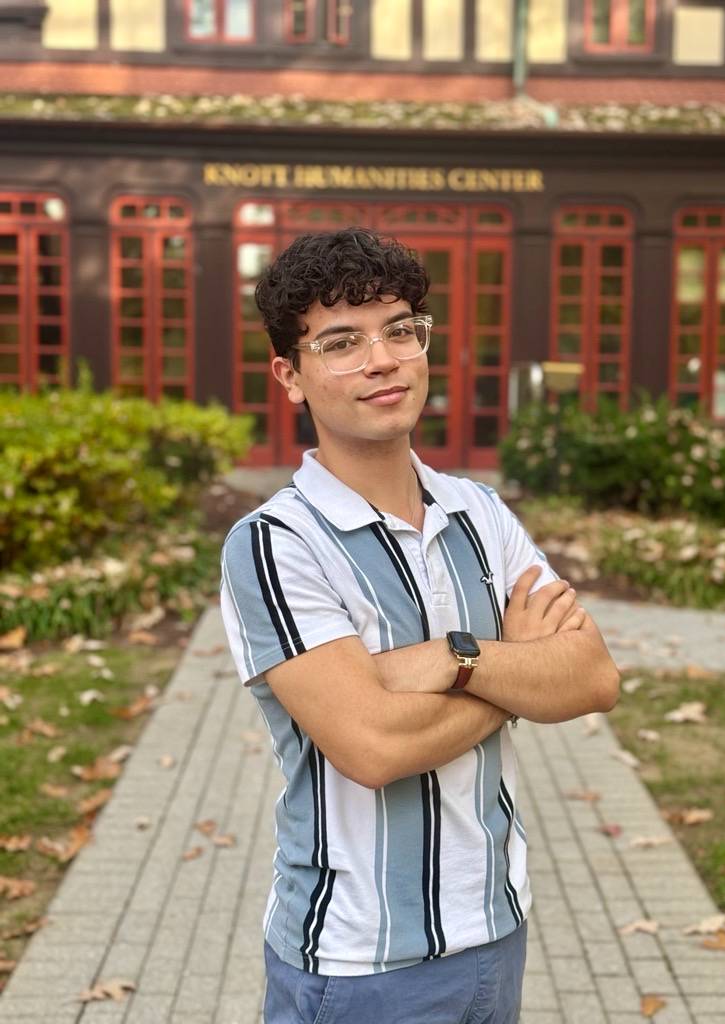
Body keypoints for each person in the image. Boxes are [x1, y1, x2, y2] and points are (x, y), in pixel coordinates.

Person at [220, 228, 619, 1024]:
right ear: (289, 376)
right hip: (360, 964)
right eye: (341, 342)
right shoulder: (274, 544)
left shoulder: (481, 511)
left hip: (496, 930)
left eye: (400, 330)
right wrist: (515, 671)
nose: (382, 359)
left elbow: (594, 678)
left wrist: (451, 659)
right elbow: (374, 748)